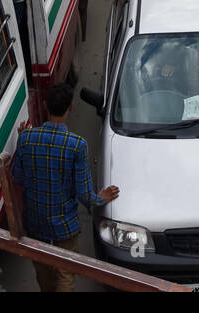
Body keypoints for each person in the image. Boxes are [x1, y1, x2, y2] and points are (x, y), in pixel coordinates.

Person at [11, 83, 120, 292]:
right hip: (64, 226)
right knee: (66, 272)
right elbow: (85, 195)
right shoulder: (77, 145)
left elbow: (17, 177)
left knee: (43, 271)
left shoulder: (25, 138)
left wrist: (22, 140)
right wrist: (102, 197)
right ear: (70, 107)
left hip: (35, 222)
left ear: (45, 105)